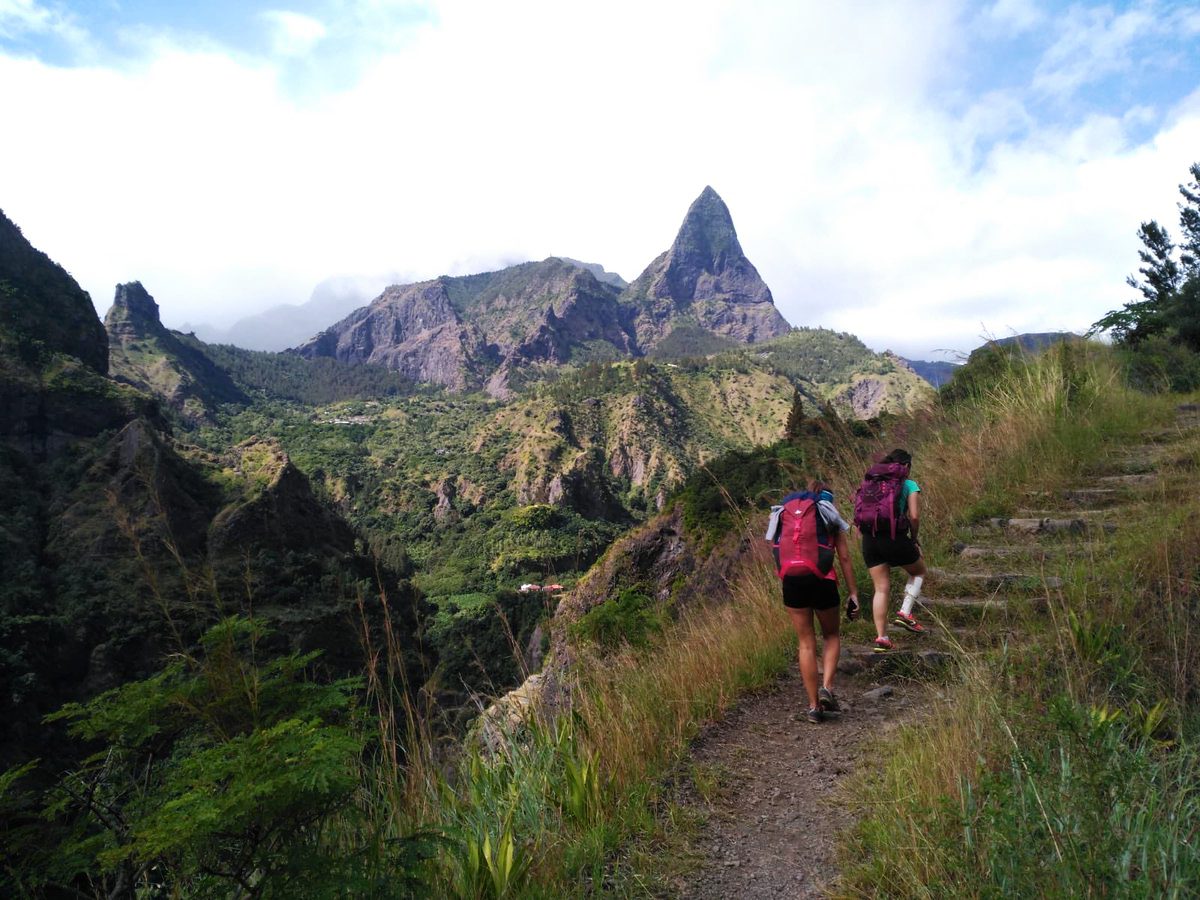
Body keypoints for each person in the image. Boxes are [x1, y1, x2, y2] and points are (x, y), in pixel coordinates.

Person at [767, 480, 859, 723]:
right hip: (823, 580)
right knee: (831, 635)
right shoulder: (827, 511)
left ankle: (813, 706)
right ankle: (827, 687)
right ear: (828, 497)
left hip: (792, 582)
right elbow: (846, 558)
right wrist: (853, 593)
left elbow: (775, 545)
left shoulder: (784, 511)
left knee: (805, 643)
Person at [857, 448, 927, 652]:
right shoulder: (908, 484)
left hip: (869, 539)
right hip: (894, 537)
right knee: (919, 571)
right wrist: (914, 540)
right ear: (906, 466)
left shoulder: (872, 482)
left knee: (881, 588)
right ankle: (905, 612)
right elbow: (914, 516)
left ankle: (881, 637)